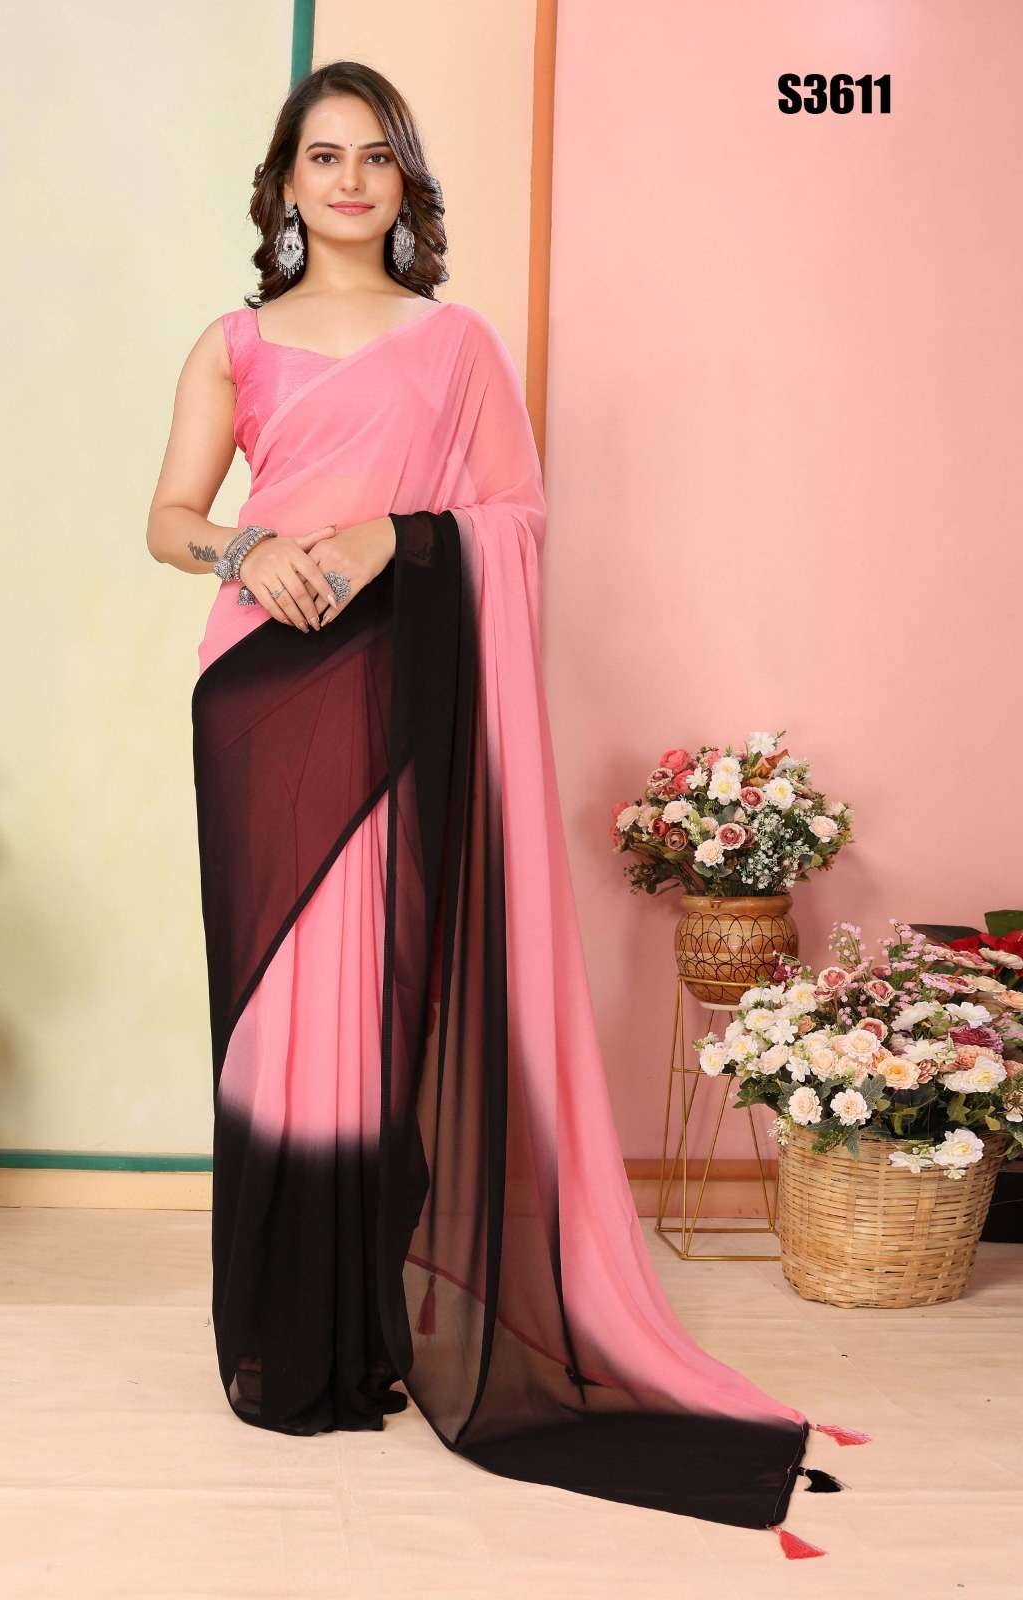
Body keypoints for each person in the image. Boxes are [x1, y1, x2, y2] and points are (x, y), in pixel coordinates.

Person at [147, 59, 855, 1553]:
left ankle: (379, 1324)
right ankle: (284, 1337)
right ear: (283, 185)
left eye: (374, 156)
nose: (349, 180)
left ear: (405, 181)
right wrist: (246, 550)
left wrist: (388, 533)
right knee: (278, 1022)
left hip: (405, 693)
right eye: (322, 156)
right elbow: (169, 517)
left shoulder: (457, 343)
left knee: (376, 1005)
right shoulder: (235, 343)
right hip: (264, 694)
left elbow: (515, 516)